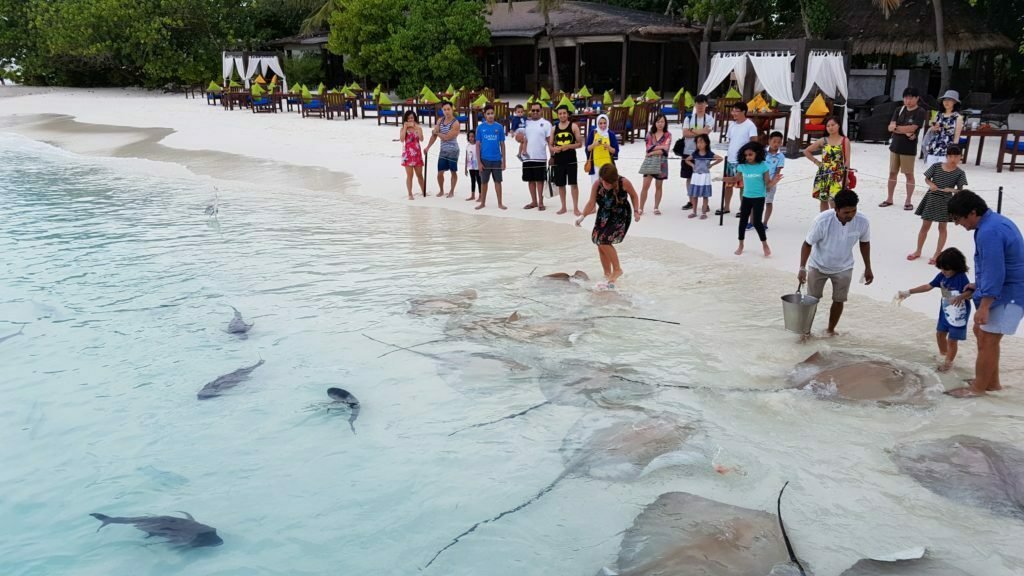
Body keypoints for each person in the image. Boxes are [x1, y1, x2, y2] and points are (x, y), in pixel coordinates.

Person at [946, 190, 1024, 397]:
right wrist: (977, 286)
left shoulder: (990, 231)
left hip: (1011, 293)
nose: (957, 224)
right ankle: (991, 382)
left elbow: (995, 270)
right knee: (981, 333)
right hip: (1004, 289)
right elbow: (994, 266)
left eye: (957, 219)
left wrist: (985, 305)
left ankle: (978, 389)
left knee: (988, 338)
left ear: (972, 213)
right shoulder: (992, 223)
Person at [798, 189, 874, 335]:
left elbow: (864, 243)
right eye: (846, 212)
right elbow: (807, 244)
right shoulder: (822, 221)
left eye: (853, 211)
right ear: (836, 209)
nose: (850, 215)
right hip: (818, 265)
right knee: (812, 301)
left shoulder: (862, 221)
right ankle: (805, 332)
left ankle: (831, 330)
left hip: (844, 267)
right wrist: (802, 267)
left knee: (839, 300)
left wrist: (868, 267)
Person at [896, 247, 973, 372]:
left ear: (956, 267)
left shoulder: (961, 277)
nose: (943, 271)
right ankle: (943, 354)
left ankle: (948, 363)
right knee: (940, 334)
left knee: (952, 340)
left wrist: (961, 296)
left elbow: (970, 292)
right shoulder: (942, 275)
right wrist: (908, 292)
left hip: (959, 312)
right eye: (941, 268)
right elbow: (928, 286)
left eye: (946, 269)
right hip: (945, 309)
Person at [576, 163, 642, 286]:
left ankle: (617, 269)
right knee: (598, 242)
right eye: (604, 182)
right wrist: (582, 216)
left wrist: (637, 210)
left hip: (620, 214)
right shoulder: (597, 184)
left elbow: (634, 195)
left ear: (614, 179)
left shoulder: (624, 182)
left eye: (609, 183)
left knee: (604, 240)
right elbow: (591, 202)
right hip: (604, 214)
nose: (606, 185)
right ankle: (607, 274)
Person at [908, 144, 968, 263]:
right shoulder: (936, 166)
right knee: (925, 226)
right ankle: (918, 250)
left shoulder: (960, 173)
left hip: (946, 201)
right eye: (951, 156)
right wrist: (931, 185)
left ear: (960, 157)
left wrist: (950, 189)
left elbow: (960, 190)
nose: (954, 159)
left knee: (942, 227)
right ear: (947, 156)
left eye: (957, 157)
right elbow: (927, 178)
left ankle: (937, 253)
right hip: (931, 198)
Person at [881, 86, 928, 210]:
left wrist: (899, 129)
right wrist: (903, 130)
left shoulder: (920, 111)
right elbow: (890, 127)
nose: (908, 101)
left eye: (911, 98)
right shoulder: (899, 109)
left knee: (908, 174)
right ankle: (889, 198)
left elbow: (913, 128)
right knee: (892, 173)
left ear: (917, 98)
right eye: (906, 98)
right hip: (895, 146)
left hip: (908, 148)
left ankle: (908, 200)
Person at [734, 142, 775, 257]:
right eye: (746, 155)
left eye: (750, 155)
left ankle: (765, 244)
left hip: (759, 198)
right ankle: (741, 244)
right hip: (746, 197)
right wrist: (721, 178)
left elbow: (768, 185)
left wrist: (775, 181)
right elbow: (735, 178)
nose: (748, 157)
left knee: (757, 222)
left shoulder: (763, 166)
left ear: (757, 153)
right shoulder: (742, 166)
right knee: (742, 222)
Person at [718, 102, 758, 216]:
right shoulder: (732, 125)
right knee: (728, 184)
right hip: (730, 159)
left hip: (743, 161)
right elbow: (730, 140)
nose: (734, 113)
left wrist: (748, 157)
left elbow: (754, 142)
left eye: (736, 111)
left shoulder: (750, 125)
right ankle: (726, 207)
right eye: (733, 111)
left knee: (743, 186)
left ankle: (743, 209)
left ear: (744, 112)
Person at [805, 116, 850, 212]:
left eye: (833, 125)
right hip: (823, 173)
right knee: (823, 200)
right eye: (828, 125)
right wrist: (817, 162)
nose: (830, 127)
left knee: (835, 200)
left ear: (839, 126)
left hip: (838, 173)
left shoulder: (844, 140)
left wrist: (846, 177)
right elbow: (807, 151)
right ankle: (825, 221)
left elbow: (847, 160)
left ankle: (835, 221)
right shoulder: (823, 140)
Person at [681, 94, 716, 211]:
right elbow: (685, 134)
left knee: (703, 176)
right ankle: (691, 201)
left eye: (702, 103)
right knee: (689, 176)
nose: (700, 106)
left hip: (704, 152)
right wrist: (700, 132)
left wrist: (692, 130)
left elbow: (706, 134)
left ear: (706, 104)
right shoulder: (688, 118)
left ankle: (705, 203)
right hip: (688, 150)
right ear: (695, 105)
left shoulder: (710, 118)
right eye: (698, 103)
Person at [549, 104, 583, 215]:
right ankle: (563, 207)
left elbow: (579, 144)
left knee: (573, 183)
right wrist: (554, 149)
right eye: (560, 114)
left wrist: (568, 146)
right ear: (557, 115)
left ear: (567, 114)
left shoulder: (573, 127)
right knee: (561, 184)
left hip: (571, 159)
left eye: (564, 113)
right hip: (559, 159)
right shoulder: (554, 128)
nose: (562, 115)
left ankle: (576, 208)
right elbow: (550, 145)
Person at [519, 101, 553, 210]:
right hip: (527, 157)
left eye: (537, 110)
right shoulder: (526, 123)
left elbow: (549, 142)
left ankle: (541, 202)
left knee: (540, 180)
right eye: (533, 110)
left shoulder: (546, 124)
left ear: (541, 111)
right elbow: (519, 138)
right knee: (530, 180)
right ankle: (534, 202)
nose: (535, 112)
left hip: (540, 156)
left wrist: (552, 156)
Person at [423, 100, 461, 198]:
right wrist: (427, 147)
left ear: (452, 109)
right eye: (444, 110)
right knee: (440, 172)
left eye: (448, 109)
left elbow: (447, 137)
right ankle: (441, 190)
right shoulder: (440, 121)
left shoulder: (455, 123)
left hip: (453, 150)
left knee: (453, 171)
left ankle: (452, 191)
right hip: (443, 150)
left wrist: (436, 133)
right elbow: (434, 136)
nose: (447, 111)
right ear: (442, 110)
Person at [475, 104, 507, 211]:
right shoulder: (480, 128)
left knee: (498, 182)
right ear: (484, 115)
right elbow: (478, 145)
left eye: (492, 113)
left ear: (494, 114)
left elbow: (502, 144)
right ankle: (483, 203)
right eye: (488, 114)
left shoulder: (499, 127)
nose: (490, 116)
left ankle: (500, 203)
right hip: (484, 159)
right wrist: (479, 162)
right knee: (484, 182)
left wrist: (504, 161)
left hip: (497, 159)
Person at [637, 114, 672, 215]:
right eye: (658, 122)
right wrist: (659, 147)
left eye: (662, 122)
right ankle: (641, 208)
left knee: (659, 186)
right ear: (655, 123)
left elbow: (666, 149)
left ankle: (656, 207)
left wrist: (652, 151)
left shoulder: (668, 134)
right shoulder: (650, 134)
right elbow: (648, 147)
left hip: (662, 163)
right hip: (650, 163)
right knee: (645, 186)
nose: (660, 124)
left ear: (665, 123)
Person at [685, 134, 722, 220]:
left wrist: (712, 165)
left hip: (705, 176)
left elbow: (720, 158)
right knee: (694, 195)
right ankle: (694, 212)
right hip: (696, 176)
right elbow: (687, 159)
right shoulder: (695, 153)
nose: (699, 144)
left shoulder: (709, 153)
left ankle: (704, 212)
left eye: (701, 142)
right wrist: (692, 165)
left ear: (706, 143)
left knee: (705, 195)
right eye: (698, 142)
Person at [924, 90, 963, 166]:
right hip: (934, 146)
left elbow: (956, 136)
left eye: (949, 100)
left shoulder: (958, 117)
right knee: (930, 172)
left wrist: (953, 152)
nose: (946, 102)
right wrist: (934, 128)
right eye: (945, 100)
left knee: (942, 174)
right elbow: (932, 128)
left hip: (947, 149)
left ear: (955, 102)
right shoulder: (938, 114)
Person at [761, 131, 786, 229]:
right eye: (774, 141)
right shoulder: (763, 152)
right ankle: (753, 221)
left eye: (779, 142)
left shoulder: (781, 156)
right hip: (759, 180)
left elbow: (778, 171)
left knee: (768, 202)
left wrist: (771, 184)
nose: (776, 144)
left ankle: (765, 223)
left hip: (772, 182)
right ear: (769, 141)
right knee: (757, 202)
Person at [586, 114, 619, 184]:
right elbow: (587, 148)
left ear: (607, 123)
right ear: (597, 124)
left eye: (604, 123)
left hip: (608, 165)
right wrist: (594, 145)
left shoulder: (611, 134)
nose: (603, 125)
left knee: (608, 184)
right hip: (595, 164)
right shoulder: (593, 133)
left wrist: (608, 147)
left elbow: (615, 151)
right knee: (595, 185)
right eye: (600, 123)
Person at [399, 110, 425, 200]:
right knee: (410, 175)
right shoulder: (403, 129)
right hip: (408, 155)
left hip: (417, 154)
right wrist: (405, 128)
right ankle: (410, 194)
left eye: (412, 117)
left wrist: (417, 128)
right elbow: (402, 140)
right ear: (406, 119)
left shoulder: (418, 128)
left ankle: (423, 191)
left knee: (420, 175)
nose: (410, 119)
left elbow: (421, 139)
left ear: (414, 118)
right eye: (409, 118)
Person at [464, 130, 480, 202]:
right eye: (469, 136)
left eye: (472, 136)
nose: (471, 138)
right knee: (472, 180)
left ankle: (481, 195)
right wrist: (465, 168)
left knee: (479, 180)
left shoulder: (478, 144)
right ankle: (472, 195)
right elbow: (466, 157)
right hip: (470, 164)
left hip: (477, 164)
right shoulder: (468, 146)